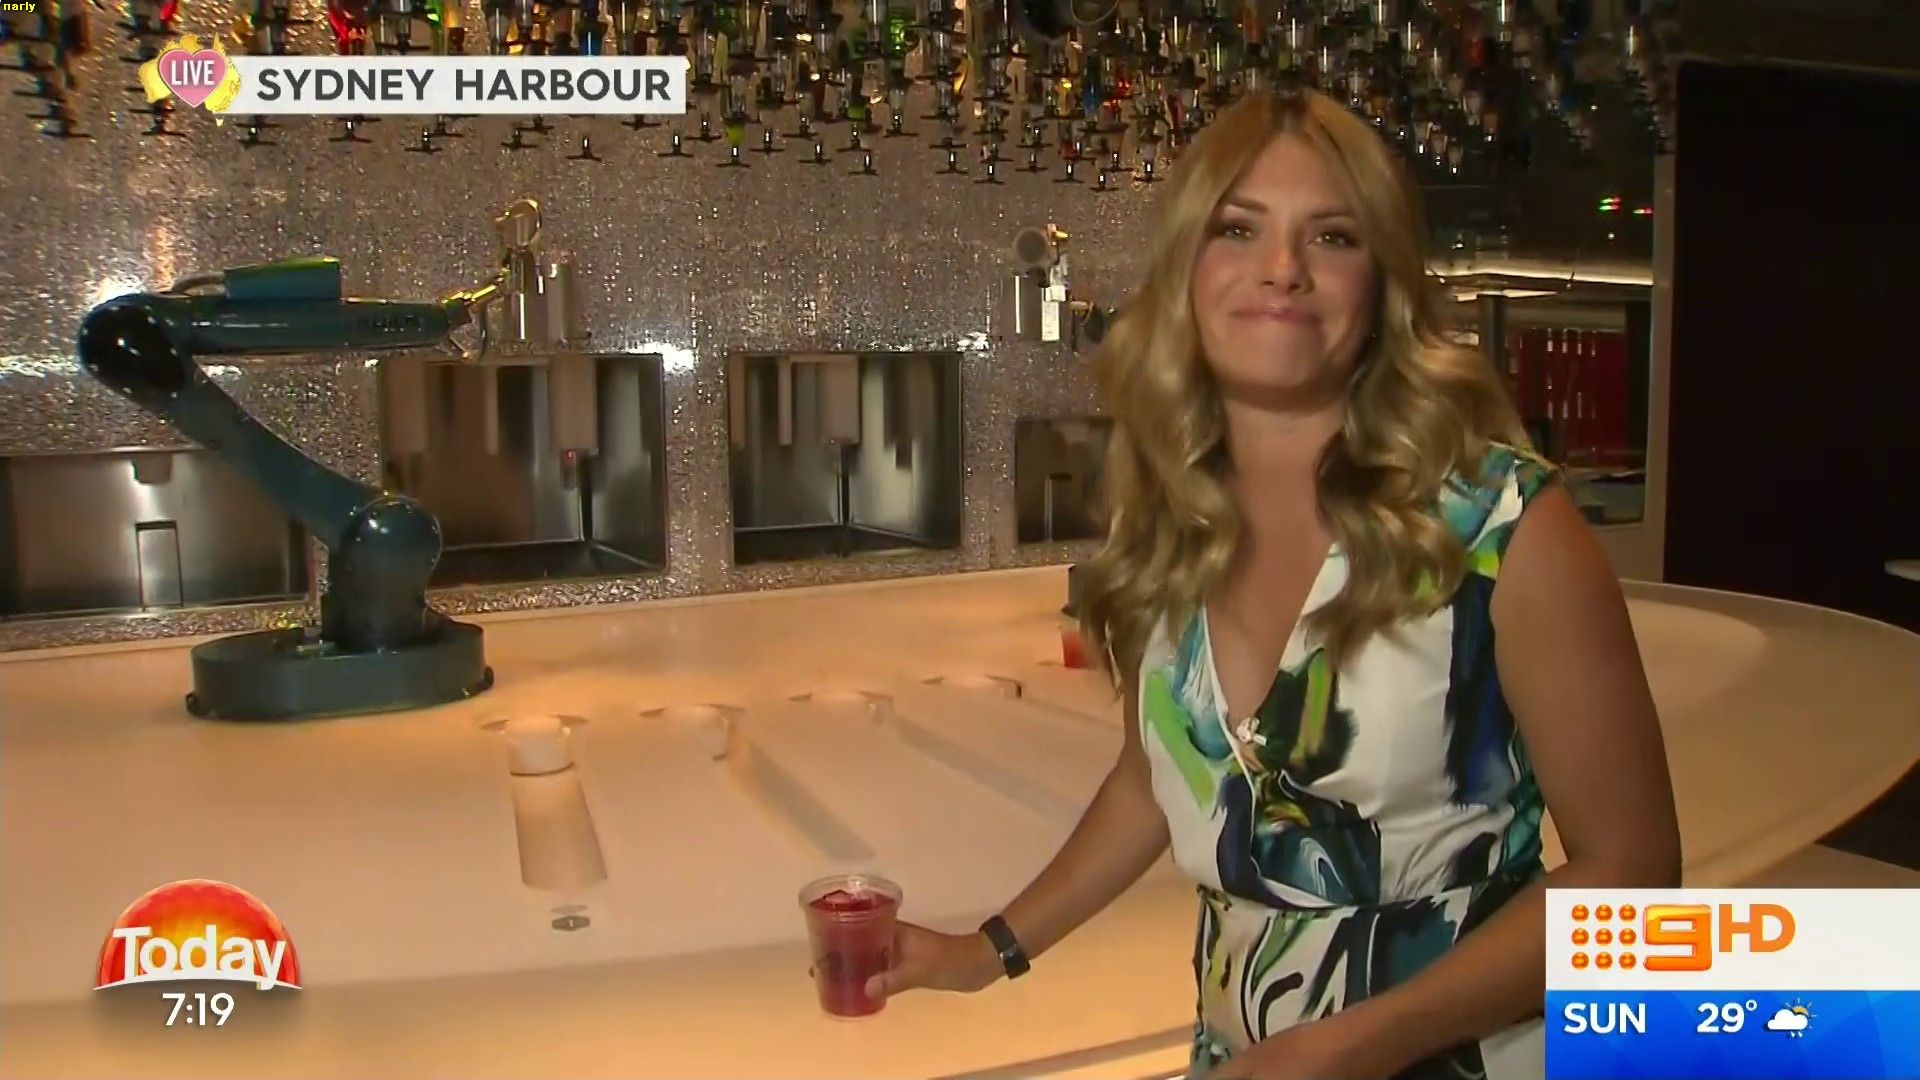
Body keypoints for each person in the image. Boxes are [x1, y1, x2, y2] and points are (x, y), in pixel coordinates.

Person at [863, 86, 1682, 1080]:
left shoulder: (1504, 530)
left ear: (1381, 285)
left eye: (1331, 236)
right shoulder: (1173, 526)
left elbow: (1635, 877)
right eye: (1239, 228)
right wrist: (984, 952)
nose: (1283, 268)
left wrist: (1360, 1043)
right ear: (1187, 270)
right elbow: (1155, 780)